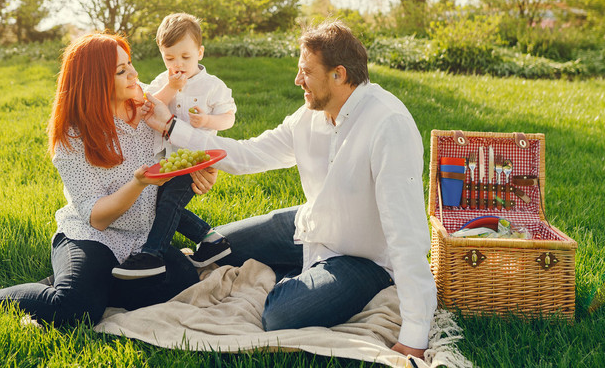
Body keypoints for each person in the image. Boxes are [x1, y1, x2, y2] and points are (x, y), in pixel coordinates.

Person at [141, 20, 437, 359]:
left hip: (362, 258)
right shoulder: (310, 116)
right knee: (216, 247)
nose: (297, 81)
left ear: (338, 74)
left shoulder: (388, 124)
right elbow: (249, 153)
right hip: (310, 227)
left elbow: (407, 232)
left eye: (306, 72)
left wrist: (415, 332)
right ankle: (296, 270)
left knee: (280, 314)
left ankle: (309, 279)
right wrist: (170, 127)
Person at [0, 32, 217, 327]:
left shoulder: (150, 110)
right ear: (94, 80)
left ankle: (69, 281)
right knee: (75, 308)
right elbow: (97, 218)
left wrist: (201, 175)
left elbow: (186, 153)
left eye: (130, 64)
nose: (134, 74)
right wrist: (138, 183)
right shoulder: (72, 140)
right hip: (92, 235)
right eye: (121, 70)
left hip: (142, 238)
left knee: (182, 283)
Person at [111, 13, 236, 279]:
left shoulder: (212, 86)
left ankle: (152, 254)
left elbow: (229, 117)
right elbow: (149, 105)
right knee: (162, 201)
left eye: (185, 57)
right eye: (169, 59)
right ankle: (211, 239)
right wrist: (171, 86)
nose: (177, 64)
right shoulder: (162, 80)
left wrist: (208, 119)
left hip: (196, 159)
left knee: (169, 203)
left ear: (200, 52)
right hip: (168, 159)